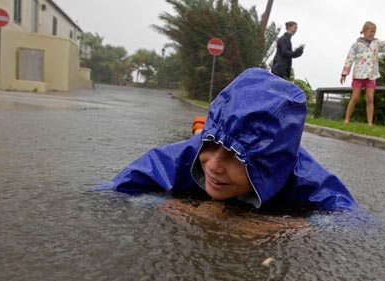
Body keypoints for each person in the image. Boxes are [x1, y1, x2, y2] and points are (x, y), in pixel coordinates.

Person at [97, 68, 357, 212]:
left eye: (236, 155)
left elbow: (351, 220)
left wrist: (290, 227)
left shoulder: (302, 175)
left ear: (268, 164)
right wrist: (176, 206)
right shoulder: (182, 157)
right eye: (212, 143)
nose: (214, 165)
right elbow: (115, 190)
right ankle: (205, 129)